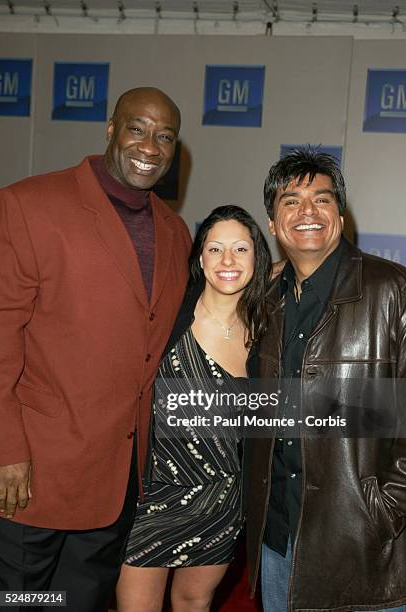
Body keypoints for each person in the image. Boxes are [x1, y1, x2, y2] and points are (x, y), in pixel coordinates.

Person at [0, 87, 192, 612]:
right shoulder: (29, 204)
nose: (150, 145)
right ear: (110, 128)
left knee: (76, 603)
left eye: (165, 136)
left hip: (117, 478)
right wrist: (6, 450)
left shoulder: (175, 233)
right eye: (137, 128)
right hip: (33, 474)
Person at [244, 148, 406, 612]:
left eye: (322, 199)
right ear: (273, 225)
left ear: (341, 213)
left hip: (365, 547)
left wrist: (382, 510)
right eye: (290, 201)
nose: (308, 212)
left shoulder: (392, 291)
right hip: (278, 542)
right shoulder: (263, 302)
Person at [116, 205, 272, 612]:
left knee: (193, 603)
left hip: (220, 498)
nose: (228, 261)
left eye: (241, 249)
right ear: (200, 257)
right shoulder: (167, 314)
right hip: (151, 495)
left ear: (257, 257)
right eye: (215, 248)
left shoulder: (268, 331)